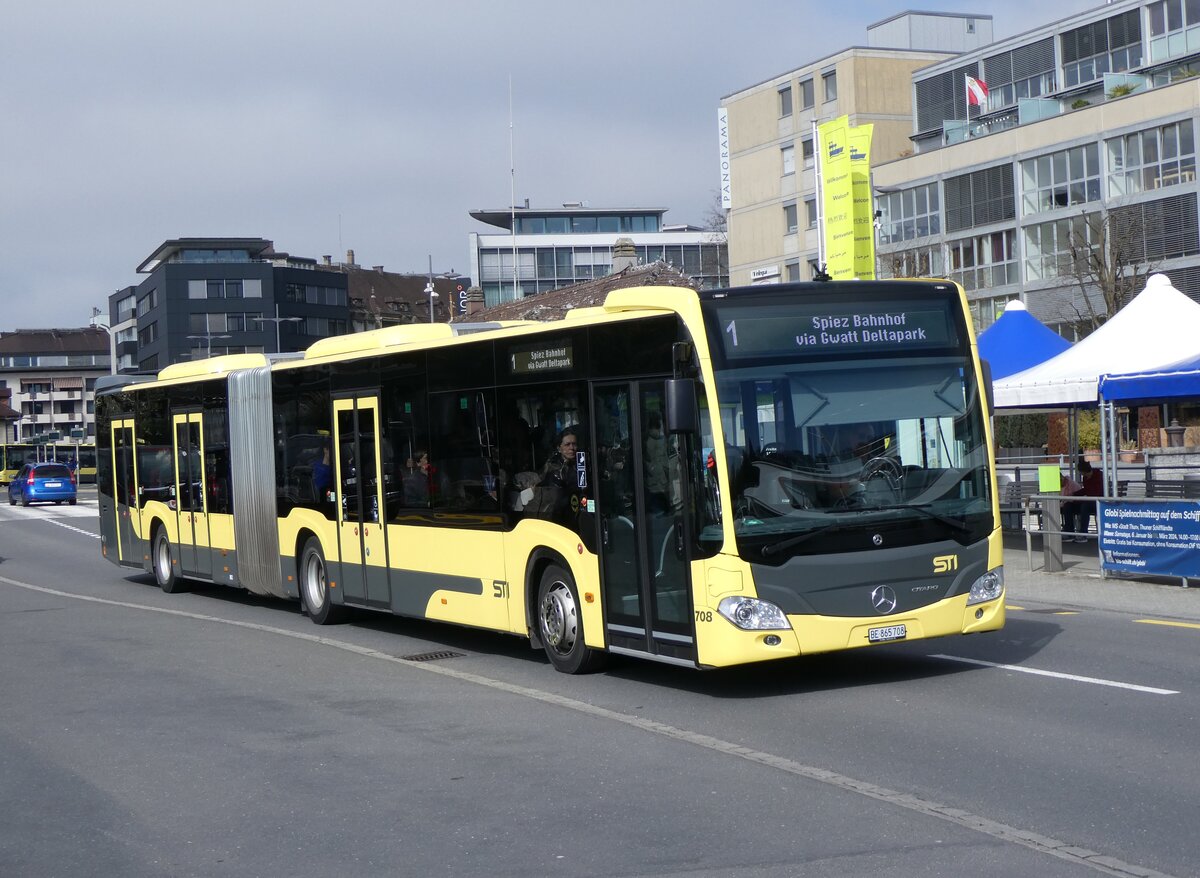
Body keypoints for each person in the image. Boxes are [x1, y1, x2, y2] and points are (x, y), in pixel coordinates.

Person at [1063, 460, 1103, 542]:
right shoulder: (1085, 478)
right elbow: (1085, 490)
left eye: (1081, 472)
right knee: (1068, 506)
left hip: (1098, 502)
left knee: (1085, 506)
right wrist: (1074, 494)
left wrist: (1081, 497)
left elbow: (1097, 492)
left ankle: (1083, 534)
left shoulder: (1099, 476)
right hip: (1087, 500)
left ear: (1084, 471)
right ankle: (1070, 533)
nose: (1082, 475)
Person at [643, 411, 671, 515]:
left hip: (653, 485)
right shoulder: (660, 441)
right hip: (659, 486)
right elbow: (663, 464)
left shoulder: (647, 440)